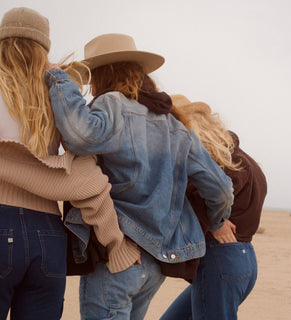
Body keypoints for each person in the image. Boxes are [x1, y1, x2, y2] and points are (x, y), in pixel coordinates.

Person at [44, 33, 234, 320]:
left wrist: (58, 79)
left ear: (107, 71)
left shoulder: (113, 104)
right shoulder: (176, 125)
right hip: (157, 263)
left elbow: (80, 135)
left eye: (93, 76)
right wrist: (218, 221)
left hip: (119, 256)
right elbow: (221, 189)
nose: (93, 86)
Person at [0, 8, 139, 320]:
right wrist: (116, 243)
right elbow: (83, 173)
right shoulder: (56, 93)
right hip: (48, 234)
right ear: (43, 48)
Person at [159, 94, 268, 320]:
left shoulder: (222, 165)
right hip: (241, 259)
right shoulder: (240, 159)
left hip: (221, 258)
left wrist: (214, 221)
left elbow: (209, 195)